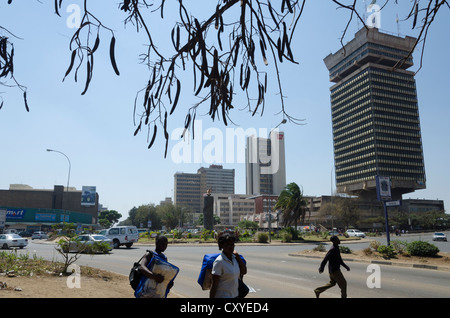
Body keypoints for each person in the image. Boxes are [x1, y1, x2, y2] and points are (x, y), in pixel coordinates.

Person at [210, 231, 247, 298]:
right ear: (222, 246)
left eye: (232, 245)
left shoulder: (235, 259)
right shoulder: (219, 261)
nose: (230, 247)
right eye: (227, 245)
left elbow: (244, 271)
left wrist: (238, 257)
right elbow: (214, 285)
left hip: (235, 296)